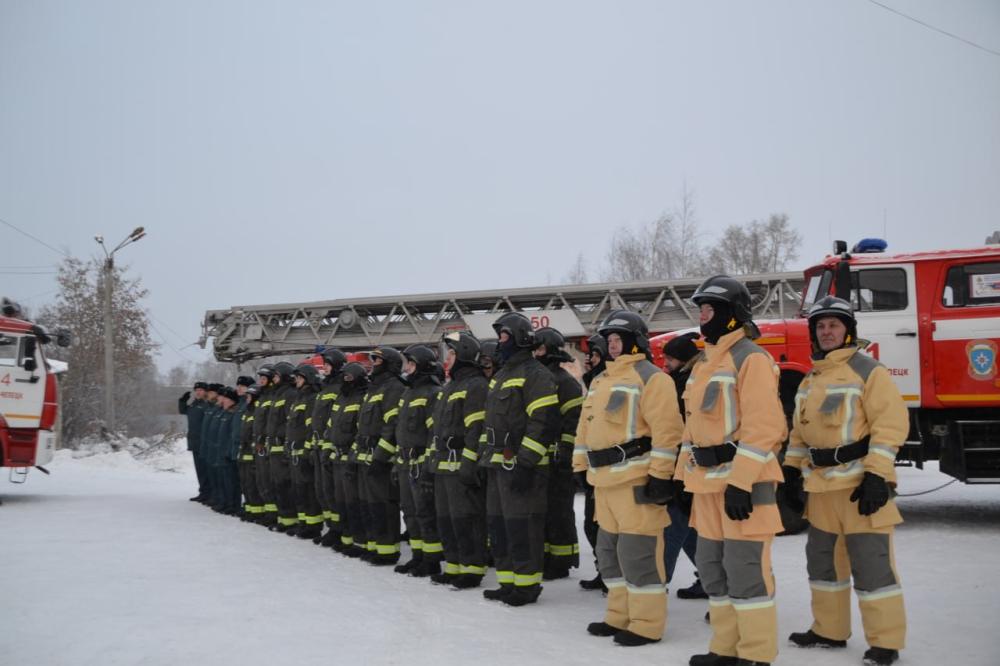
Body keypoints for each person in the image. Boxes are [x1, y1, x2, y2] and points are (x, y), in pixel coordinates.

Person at [783, 296, 908, 666]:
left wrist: (877, 476)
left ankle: (885, 641)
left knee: (872, 567)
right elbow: (799, 434)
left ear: (848, 330)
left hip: (858, 488)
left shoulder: (869, 371)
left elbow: (890, 427)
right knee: (823, 565)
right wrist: (791, 470)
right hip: (820, 490)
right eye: (820, 327)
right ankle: (829, 630)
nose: (826, 332)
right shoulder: (810, 378)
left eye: (834, 325)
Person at [676, 275, 787, 666]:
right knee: (714, 572)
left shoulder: (750, 358)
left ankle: (755, 655)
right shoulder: (706, 362)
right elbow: (693, 429)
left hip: (743, 489)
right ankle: (725, 649)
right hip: (706, 490)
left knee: (746, 574)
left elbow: (765, 428)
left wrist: (741, 483)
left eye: (708, 310)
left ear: (729, 314)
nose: (702, 316)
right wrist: (681, 478)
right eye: (701, 309)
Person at [573, 310, 684, 647]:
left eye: (619, 339)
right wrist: (580, 467)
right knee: (609, 554)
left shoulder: (653, 378)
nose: (614, 346)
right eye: (610, 340)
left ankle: (647, 624)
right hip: (604, 484)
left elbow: (668, 432)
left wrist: (661, 477)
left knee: (639, 555)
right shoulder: (600, 381)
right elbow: (585, 428)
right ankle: (619, 616)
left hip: (636, 481)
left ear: (636, 340)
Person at [479, 312, 559, 607]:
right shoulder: (500, 377)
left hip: (521, 467)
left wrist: (526, 462)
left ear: (520, 338)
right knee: (500, 527)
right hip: (497, 466)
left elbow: (543, 422)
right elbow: (491, 423)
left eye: (504, 336)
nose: (500, 343)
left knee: (522, 528)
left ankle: (526, 586)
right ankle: (508, 581)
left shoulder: (536, 374)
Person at [432, 331, 489, 589]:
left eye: (452, 353)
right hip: (444, 465)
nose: (448, 359)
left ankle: (472, 568)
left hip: (460, 465)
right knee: (446, 519)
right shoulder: (450, 387)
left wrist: (469, 463)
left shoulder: (475, 385)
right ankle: (453, 565)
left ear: (464, 354)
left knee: (466, 519)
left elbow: (475, 429)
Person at [533, 327, 583, 581]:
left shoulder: (565, 382)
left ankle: (561, 560)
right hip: (541, 460)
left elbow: (574, 423)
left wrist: (565, 452)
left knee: (559, 511)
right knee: (543, 511)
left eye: (539, 349)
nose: (535, 354)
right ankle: (546, 556)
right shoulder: (540, 380)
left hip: (559, 461)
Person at [661, 332, 707, 600]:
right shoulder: (682, 380)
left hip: (686, 465)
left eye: (670, 358)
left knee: (672, 525)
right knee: (688, 527)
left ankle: (656, 583)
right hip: (683, 464)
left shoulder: (687, 384)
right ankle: (709, 577)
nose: (666, 363)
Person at [392, 345, 443, 576]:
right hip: (404, 462)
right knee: (410, 512)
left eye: (410, 364)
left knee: (425, 513)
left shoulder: (433, 393)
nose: (407, 368)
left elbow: (435, 434)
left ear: (421, 365)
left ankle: (431, 560)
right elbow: (400, 431)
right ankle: (418, 555)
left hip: (421, 462)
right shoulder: (407, 393)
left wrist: (428, 465)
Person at [357, 346, 407, 564]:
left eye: (376, 361)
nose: (372, 364)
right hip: (368, 455)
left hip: (382, 458)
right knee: (371, 505)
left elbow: (392, 424)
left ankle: (388, 551)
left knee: (384, 505)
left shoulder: (393, 387)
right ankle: (376, 546)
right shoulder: (374, 389)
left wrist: (380, 456)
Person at [326, 362, 369, 554]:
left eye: (349, 377)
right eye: (344, 377)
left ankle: (359, 541)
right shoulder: (340, 399)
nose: (345, 380)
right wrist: (328, 450)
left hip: (350, 459)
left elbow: (360, 431)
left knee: (354, 503)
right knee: (342, 502)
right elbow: (330, 427)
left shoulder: (361, 399)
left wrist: (352, 454)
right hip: (337, 458)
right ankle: (347, 538)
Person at [578, 334, 608, 592]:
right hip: (594, 467)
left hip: (616, 471)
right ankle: (605, 571)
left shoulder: (611, 385)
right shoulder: (594, 384)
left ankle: (614, 575)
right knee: (592, 524)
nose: (589, 361)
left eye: (595, 356)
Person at [314, 350, 347, 546]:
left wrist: (328, 446)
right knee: (323, 490)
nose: (324, 367)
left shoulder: (339, 387)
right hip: (320, 446)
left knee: (334, 490)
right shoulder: (325, 388)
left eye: (327, 364)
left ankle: (339, 528)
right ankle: (332, 526)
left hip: (331, 446)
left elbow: (334, 422)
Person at [287, 363, 322, 539]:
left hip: (304, 452)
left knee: (308, 490)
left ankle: (313, 526)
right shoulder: (299, 399)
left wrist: (308, 450)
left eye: (299, 378)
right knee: (299, 490)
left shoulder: (311, 399)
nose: (297, 381)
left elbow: (311, 427)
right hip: (294, 452)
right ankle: (304, 523)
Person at [266, 362, 298, 532]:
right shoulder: (278, 395)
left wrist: (286, 444)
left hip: (282, 448)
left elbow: (290, 423)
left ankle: (291, 520)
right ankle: (284, 518)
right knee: (278, 485)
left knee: (286, 485)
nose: (274, 379)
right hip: (274, 449)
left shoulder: (290, 395)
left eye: (277, 376)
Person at [253, 365, 278, 527]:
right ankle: (269, 512)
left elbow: (271, 422)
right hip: (261, 443)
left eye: (264, 378)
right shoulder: (262, 397)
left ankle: (274, 514)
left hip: (270, 444)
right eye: (260, 378)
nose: (261, 381)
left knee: (270, 481)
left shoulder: (272, 397)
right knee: (262, 480)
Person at [178, 381, 210, 502]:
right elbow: (183, 411)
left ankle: (208, 492)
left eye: (201, 390)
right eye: (196, 390)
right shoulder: (194, 404)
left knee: (205, 470)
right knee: (199, 470)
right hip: (194, 442)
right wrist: (182, 401)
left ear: (206, 392)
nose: (198, 392)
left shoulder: (206, 405)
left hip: (203, 442)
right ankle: (203, 491)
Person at [237, 384, 262, 521]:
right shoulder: (248, 412)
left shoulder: (256, 412)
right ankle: (250, 509)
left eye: (249, 396)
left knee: (254, 485)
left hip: (252, 453)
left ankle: (257, 512)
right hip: (244, 453)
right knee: (246, 484)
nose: (247, 398)